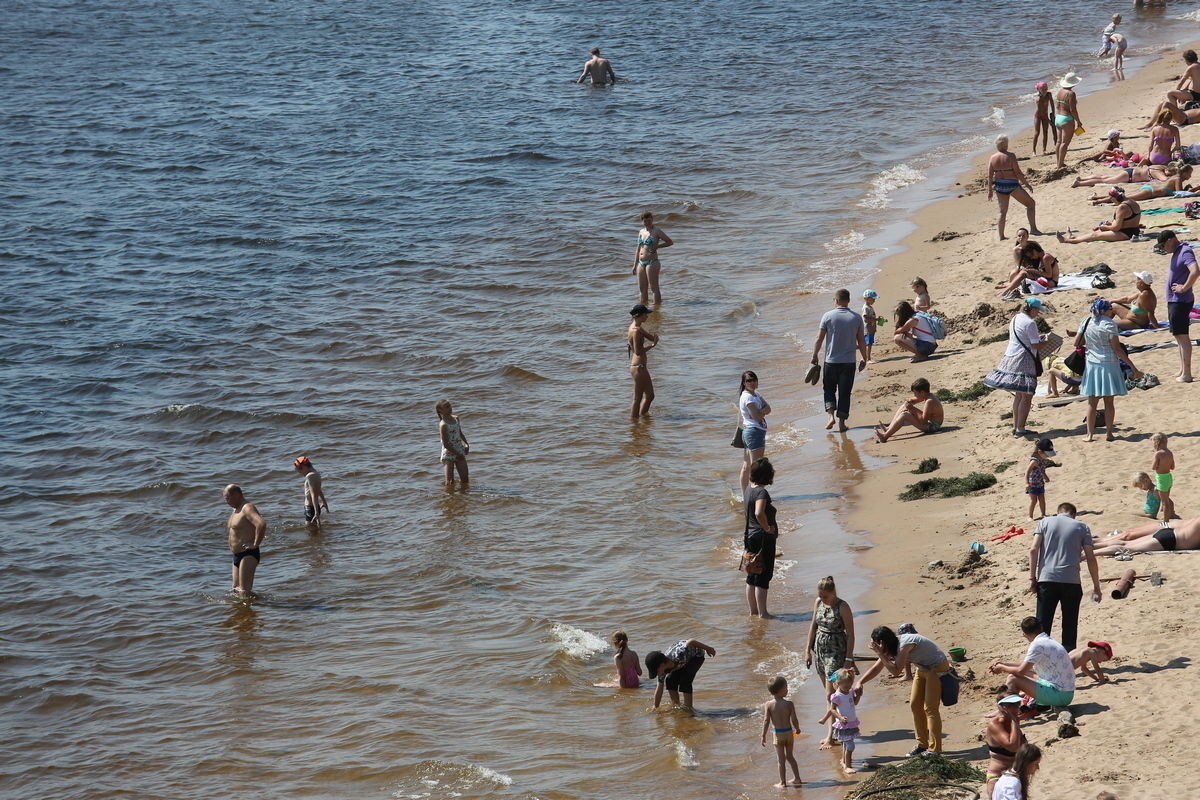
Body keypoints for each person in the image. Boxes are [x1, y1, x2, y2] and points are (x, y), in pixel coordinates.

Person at [854, 625, 951, 756]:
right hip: (922, 668)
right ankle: (922, 745)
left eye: (877, 645)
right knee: (915, 705)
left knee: (930, 708)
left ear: (882, 643)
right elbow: (877, 668)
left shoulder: (904, 644)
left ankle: (935, 749)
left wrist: (880, 653)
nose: (876, 648)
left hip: (937, 667)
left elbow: (896, 670)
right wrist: (860, 682)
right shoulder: (890, 647)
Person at [1029, 502, 1102, 651]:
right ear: (1074, 514)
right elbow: (1090, 558)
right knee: (1069, 624)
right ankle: (1069, 660)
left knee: (1042, 624)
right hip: (1072, 581)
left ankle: (1042, 659)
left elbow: (1033, 550)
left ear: (1058, 512)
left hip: (1047, 579)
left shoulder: (1044, 522)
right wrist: (1096, 586)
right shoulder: (1082, 527)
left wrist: (1032, 578)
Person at [1076, 298, 1142, 442]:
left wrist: (1091, 344)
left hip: (1092, 365)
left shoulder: (1086, 321)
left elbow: (1076, 342)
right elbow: (1117, 349)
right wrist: (1132, 366)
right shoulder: (1110, 324)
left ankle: (1089, 435)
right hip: (1109, 364)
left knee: (1092, 403)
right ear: (1106, 310)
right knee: (1109, 402)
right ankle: (1109, 434)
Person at [983, 298, 1050, 437]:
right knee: (1027, 395)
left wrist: (1037, 338)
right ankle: (1020, 429)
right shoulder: (1030, 323)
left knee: (1019, 395)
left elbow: (1025, 337)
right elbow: (1036, 345)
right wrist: (1046, 342)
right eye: (1037, 310)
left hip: (1010, 356)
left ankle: (1016, 426)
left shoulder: (1016, 318)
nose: (1038, 313)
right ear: (1031, 309)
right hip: (1023, 359)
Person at [804, 576, 856, 747]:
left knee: (830, 695)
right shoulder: (818, 602)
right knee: (829, 694)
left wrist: (848, 659)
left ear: (833, 592)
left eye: (826, 595)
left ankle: (830, 736)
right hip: (819, 650)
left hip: (836, 651)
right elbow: (813, 626)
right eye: (820, 595)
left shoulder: (843, 607)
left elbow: (851, 635)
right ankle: (835, 730)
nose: (823, 598)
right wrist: (807, 651)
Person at [811, 289, 869, 433]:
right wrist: (864, 358)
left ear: (836, 301)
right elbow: (861, 340)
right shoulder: (856, 318)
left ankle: (830, 416)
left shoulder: (828, 316)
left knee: (829, 389)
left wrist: (814, 355)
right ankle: (842, 423)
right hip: (849, 362)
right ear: (848, 300)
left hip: (831, 361)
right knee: (845, 392)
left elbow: (819, 338)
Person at [989, 617, 1075, 708]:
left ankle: (1008, 712)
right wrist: (1004, 664)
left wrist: (1002, 668)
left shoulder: (1037, 645)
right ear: (1041, 628)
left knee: (1013, 678)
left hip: (1060, 696)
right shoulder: (1047, 640)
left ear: (1025, 635)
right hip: (1066, 693)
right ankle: (1011, 707)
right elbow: (1026, 664)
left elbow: (1021, 671)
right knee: (1028, 673)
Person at [1159, 231, 1198, 382]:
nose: (1163, 249)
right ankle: (1183, 370)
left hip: (1180, 301)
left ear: (1170, 240)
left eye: (1163, 245)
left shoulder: (1185, 251)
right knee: (1178, 336)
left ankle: (1187, 374)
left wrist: (1184, 287)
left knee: (1182, 336)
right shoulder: (1178, 252)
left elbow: (1195, 271)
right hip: (1175, 301)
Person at [743, 457, 778, 619]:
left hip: (749, 535)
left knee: (751, 575)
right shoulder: (761, 492)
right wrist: (767, 528)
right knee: (763, 577)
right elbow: (759, 512)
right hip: (762, 537)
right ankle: (763, 613)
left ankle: (753, 612)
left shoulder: (748, 490)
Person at [988, 135, 1039, 240]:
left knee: (1002, 212)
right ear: (1006, 145)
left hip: (999, 186)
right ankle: (1033, 229)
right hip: (1012, 185)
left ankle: (1001, 236)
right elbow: (1018, 173)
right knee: (1031, 204)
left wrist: (990, 191)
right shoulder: (1011, 156)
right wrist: (1027, 184)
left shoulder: (992, 158)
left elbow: (989, 176)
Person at [646, 638, 716, 710]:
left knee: (685, 681)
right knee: (670, 680)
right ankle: (676, 705)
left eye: (656, 672)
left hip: (696, 656)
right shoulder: (662, 670)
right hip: (681, 662)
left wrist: (708, 648)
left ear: (662, 665)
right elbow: (659, 688)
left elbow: (691, 641)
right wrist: (655, 706)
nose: (657, 674)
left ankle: (688, 708)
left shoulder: (679, 653)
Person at [760, 675, 803, 787]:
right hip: (789, 734)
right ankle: (797, 778)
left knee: (781, 760)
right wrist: (797, 729)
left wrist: (763, 735)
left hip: (778, 734)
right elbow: (794, 719)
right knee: (790, 756)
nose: (787, 689)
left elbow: (766, 721)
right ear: (779, 690)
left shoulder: (769, 705)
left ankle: (782, 782)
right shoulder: (789, 704)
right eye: (785, 687)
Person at [223, 484, 266, 596]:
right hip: (237, 555)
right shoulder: (235, 509)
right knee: (235, 590)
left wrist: (255, 544)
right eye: (225, 498)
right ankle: (246, 611)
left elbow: (261, 524)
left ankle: (266, 606)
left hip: (248, 554)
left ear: (237, 495)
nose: (226, 501)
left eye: (227, 498)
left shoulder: (247, 508)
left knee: (244, 591)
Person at [1057, 189, 1140, 244]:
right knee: (1095, 233)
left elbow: (1116, 228)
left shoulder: (1122, 207)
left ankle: (1066, 240)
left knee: (1095, 236)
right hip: (1133, 231)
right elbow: (1127, 220)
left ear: (1114, 199)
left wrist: (1104, 227)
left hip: (1126, 233)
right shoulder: (1132, 202)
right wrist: (1109, 224)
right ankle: (1073, 237)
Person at [984, 695, 1027, 799]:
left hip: (1016, 775)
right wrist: (1014, 721)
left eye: (1017, 704)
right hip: (998, 776)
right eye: (1012, 705)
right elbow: (1013, 747)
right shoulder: (995, 724)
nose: (1017, 708)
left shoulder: (1013, 721)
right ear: (1002, 707)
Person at [817, 670, 860, 774]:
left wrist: (858, 695)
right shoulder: (837, 696)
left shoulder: (850, 691)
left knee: (846, 744)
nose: (847, 689)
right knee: (850, 745)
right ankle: (847, 766)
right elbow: (832, 709)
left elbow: (854, 703)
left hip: (851, 722)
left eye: (849, 686)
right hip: (843, 725)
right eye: (845, 687)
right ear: (838, 684)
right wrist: (840, 717)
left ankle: (844, 761)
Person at [874, 378, 943, 443]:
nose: (914, 395)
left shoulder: (929, 401)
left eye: (915, 393)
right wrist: (909, 401)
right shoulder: (927, 395)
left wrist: (912, 409)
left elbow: (923, 421)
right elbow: (915, 400)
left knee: (905, 415)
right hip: (929, 422)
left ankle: (884, 437)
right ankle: (888, 428)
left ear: (922, 392)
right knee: (904, 406)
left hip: (933, 427)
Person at [1093, 516, 1200, 555]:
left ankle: (1089, 546)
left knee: (1125, 542)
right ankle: (1088, 554)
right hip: (1170, 540)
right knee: (1126, 547)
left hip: (1169, 532)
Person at [738, 371, 770, 492]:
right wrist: (762, 412)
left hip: (751, 432)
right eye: (748, 381)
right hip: (753, 432)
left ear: (757, 381)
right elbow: (757, 417)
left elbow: (769, 408)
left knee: (747, 466)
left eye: (753, 379)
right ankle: (754, 494)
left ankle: (746, 495)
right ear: (744, 383)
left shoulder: (756, 394)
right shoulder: (748, 397)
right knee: (756, 467)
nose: (751, 382)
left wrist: (760, 412)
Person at [632, 211, 672, 305]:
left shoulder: (656, 230)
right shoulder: (641, 232)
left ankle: (656, 310)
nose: (647, 223)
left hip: (652, 262)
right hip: (641, 263)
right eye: (645, 221)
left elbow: (669, 242)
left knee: (654, 287)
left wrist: (657, 247)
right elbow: (638, 249)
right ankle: (643, 309)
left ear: (652, 220)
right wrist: (635, 265)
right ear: (642, 221)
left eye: (649, 220)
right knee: (642, 288)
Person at [1086, 167, 1192, 203]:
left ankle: (1096, 197)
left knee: (1123, 196)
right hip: (1150, 193)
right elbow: (1179, 193)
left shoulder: (1175, 178)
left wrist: (1189, 188)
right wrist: (1193, 192)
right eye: (1189, 174)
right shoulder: (1178, 178)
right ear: (1185, 173)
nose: (1190, 176)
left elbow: (1179, 191)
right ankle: (1098, 200)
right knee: (1122, 198)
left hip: (1149, 189)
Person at [627, 304, 659, 418]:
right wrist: (652, 346)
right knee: (638, 398)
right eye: (645, 314)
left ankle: (643, 420)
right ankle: (635, 422)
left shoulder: (637, 327)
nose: (647, 316)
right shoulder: (635, 331)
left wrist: (653, 337)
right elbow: (638, 351)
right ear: (639, 316)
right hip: (638, 367)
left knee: (650, 396)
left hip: (640, 366)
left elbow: (651, 337)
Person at [436, 399, 470, 483]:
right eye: (447, 407)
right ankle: (449, 496)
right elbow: (446, 444)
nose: (450, 408)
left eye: (450, 406)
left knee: (465, 478)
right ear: (440, 410)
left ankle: (463, 495)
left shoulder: (456, 419)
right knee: (450, 482)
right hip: (448, 453)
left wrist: (466, 445)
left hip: (459, 449)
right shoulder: (443, 425)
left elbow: (461, 434)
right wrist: (457, 454)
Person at [1054, 73, 1083, 170]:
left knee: (1059, 142)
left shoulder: (1060, 91)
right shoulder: (1071, 93)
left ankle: (1058, 162)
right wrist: (1078, 121)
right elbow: (1073, 110)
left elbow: (1057, 106)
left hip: (1058, 117)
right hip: (1067, 119)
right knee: (1065, 143)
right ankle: (1060, 165)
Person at [1023, 439, 1054, 521]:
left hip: (1040, 483)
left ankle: (1043, 514)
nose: (1048, 456)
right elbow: (1027, 472)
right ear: (1040, 452)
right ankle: (1030, 516)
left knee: (1042, 499)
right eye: (1047, 454)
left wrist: (1045, 477)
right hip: (1032, 485)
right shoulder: (1034, 461)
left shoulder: (1042, 460)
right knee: (1034, 500)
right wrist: (1026, 483)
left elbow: (1041, 470)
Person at [293, 455, 328, 527]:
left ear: (304, 467)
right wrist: (324, 502)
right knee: (315, 530)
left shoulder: (309, 476)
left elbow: (313, 495)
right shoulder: (316, 473)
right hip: (315, 507)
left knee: (309, 530)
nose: (301, 473)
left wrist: (316, 513)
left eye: (300, 471)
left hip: (310, 508)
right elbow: (318, 490)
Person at [1071, 163, 1171, 186]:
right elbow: (1165, 180)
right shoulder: (1158, 171)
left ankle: (1082, 178)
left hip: (1130, 172)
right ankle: (1079, 183)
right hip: (1129, 176)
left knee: (1105, 177)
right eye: (1169, 173)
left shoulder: (1159, 166)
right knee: (1104, 180)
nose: (1168, 174)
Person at [1151, 433, 1176, 521]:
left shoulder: (1158, 454)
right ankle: (1171, 513)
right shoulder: (1170, 453)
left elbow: (1153, 467)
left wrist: (1158, 466)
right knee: (1166, 499)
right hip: (1168, 477)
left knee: (1165, 502)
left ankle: (1165, 522)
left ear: (1157, 443)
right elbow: (1172, 467)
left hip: (1161, 478)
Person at [1033, 82, 1057, 154]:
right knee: (1037, 133)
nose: (1044, 90)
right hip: (1038, 116)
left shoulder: (1049, 94)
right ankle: (1034, 151)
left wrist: (1053, 113)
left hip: (1045, 115)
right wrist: (1049, 121)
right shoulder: (1038, 99)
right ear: (1038, 90)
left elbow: (1052, 104)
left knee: (1045, 132)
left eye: (1045, 89)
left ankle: (1044, 149)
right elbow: (1041, 111)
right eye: (1042, 89)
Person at [862, 289, 879, 362]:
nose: (874, 300)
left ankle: (866, 357)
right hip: (868, 329)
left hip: (871, 328)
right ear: (867, 299)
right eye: (873, 299)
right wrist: (875, 320)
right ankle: (867, 358)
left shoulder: (869, 306)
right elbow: (865, 318)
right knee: (868, 344)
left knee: (870, 343)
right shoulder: (866, 307)